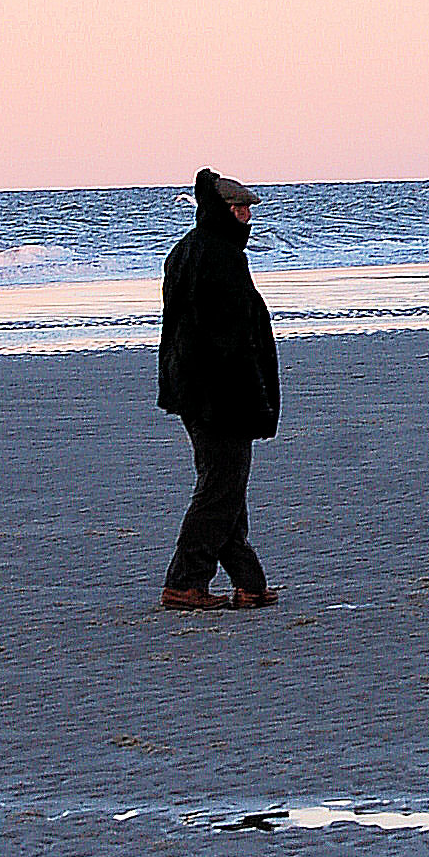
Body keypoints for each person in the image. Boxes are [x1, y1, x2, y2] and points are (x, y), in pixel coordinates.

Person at [156, 169, 280, 611]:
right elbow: (229, 340)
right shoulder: (218, 257)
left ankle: (249, 582)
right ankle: (185, 581)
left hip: (194, 389)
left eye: (247, 209)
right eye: (239, 209)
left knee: (225, 486)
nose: (247, 216)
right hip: (218, 394)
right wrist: (254, 398)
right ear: (219, 211)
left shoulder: (186, 252)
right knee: (220, 487)